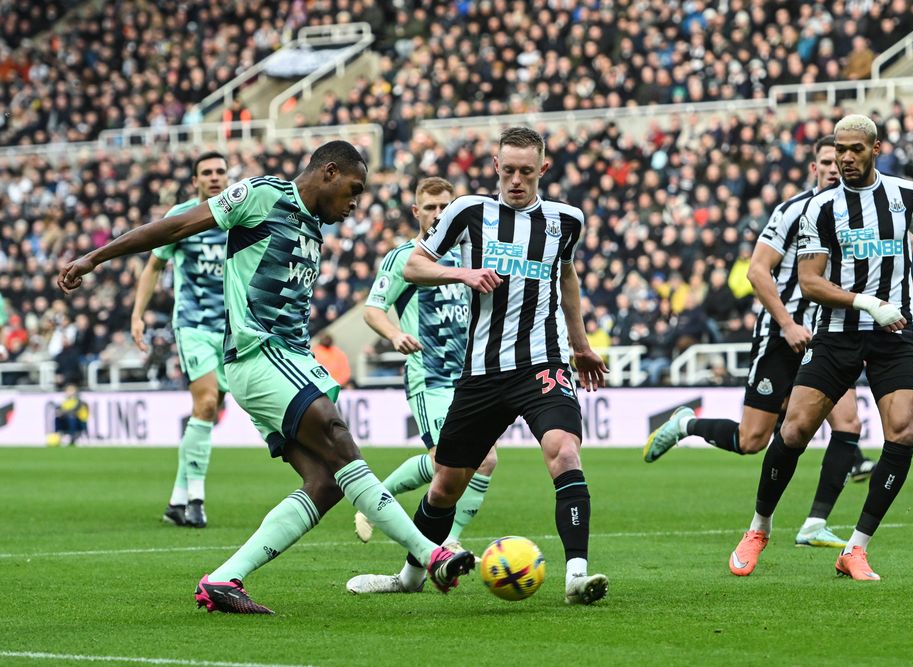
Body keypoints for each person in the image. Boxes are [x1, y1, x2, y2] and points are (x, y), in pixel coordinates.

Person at [58, 140, 477, 614]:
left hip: (292, 358)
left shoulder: (314, 227)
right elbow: (176, 226)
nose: (356, 203)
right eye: (353, 190)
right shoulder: (261, 196)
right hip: (259, 354)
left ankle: (223, 579)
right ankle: (431, 553)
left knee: (326, 482)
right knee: (339, 439)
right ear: (329, 172)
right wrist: (96, 257)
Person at [348, 127, 611, 605]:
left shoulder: (566, 221)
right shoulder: (469, 212)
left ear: (543, 170)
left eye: (526, 172)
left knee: (564, 451)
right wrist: (462, 272)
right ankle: (408, 577)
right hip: (482, 373)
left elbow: (566, 274)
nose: (515, 180)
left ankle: (577, 575)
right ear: (495, 166)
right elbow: (414, 265)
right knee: (446, 483)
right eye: (507, 170)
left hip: (542, 364)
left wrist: (581, 342)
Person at [727, 115, 913, 581]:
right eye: (839, 149)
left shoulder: (907, 196)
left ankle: (856, 549)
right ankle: (759, 527)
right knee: (795, 430)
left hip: (893, 335)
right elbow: (810, 282)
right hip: (837, 333)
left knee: (902, 430)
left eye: (855, 149)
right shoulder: (821, 208)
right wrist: (867, 303)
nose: (845, 157)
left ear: (876, 149)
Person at [645, 136, 875, 549]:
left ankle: (814, 523)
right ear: (814, 167)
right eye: (824, 161)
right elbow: (756, 271)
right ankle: (686, 424)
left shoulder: (859, 214)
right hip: (780, 336)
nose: (832, 167)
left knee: (849, 424)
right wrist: (786, 323)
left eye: (838, 161)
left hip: (828, 337)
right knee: (753, 440)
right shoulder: (791, 212)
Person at [349, 177, 499, 581]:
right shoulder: (404, 258)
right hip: (429, 375)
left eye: (443, 207)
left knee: (484, 461)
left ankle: (445, 534)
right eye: (429, 207)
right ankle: (379, 503)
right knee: (445, 461)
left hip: (472, 377)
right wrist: (395, 334)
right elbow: (373, 309)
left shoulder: (471, 255)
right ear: (416, 212)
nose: (436, 214)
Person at [131, 151, 229, 529]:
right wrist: (138, 314)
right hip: (192, 325)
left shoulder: (240, 214)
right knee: (205, 402)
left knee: (211, 410)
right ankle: (195, 499)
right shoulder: (181, 217)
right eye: (207, 172)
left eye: (220, 171)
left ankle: (175, 500)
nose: (215, 177)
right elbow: (153, 265)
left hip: (232, 329)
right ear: (196, 181)